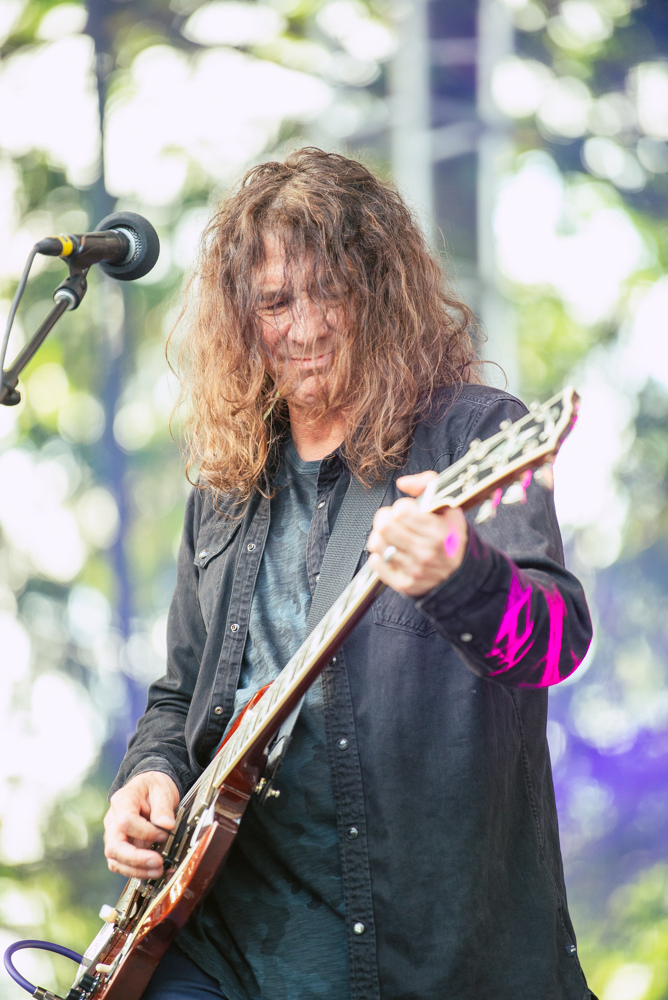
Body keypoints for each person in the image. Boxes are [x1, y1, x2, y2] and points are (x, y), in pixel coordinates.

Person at [103, 149, 594, 1000]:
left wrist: (460, 574)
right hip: (216, 947)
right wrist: (148, 775)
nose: (304, 328)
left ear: (379, 292)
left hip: (412, 958)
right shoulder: (225, 487)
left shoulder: (472, 437)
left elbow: (557, 642)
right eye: (274, 302)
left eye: (328, 292)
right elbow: (179, 698)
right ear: (241, 319)